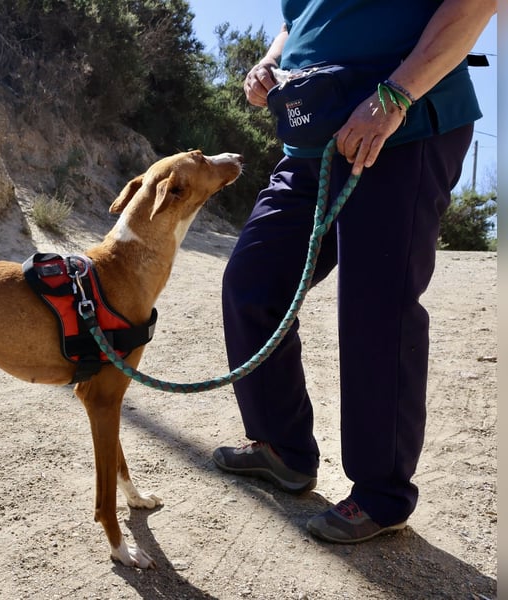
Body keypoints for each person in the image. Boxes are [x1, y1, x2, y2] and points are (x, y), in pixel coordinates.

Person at [213, 0, 496, 544]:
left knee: (376, 308)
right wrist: (270, 63)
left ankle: (381, 494)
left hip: (402, 126)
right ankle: (282, 449)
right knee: (252, 283)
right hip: (313, 141)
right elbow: (296, 21)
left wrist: (395, 96)